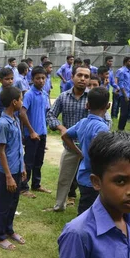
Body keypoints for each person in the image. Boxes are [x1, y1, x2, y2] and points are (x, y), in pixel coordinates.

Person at [61, 87, 110, 215]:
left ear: (87, 105)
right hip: (95, 179)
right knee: (89, 213)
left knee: (85, 208)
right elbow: (101, 154)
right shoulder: (102, 127)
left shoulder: (82, 122)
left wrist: (79, 152)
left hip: (83, 176)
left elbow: (65, 136)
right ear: (108, 106)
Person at [46, 66, 90, 209]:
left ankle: (89, 208)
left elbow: (105, 119)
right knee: (64, 179)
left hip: (89, 147)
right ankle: (59, 205)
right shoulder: (63, 97)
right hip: (70, 146)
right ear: (72, 77)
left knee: (90, 180)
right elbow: (50, 115)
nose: (82, 79)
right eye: (79, 75)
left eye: (86, 76)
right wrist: (60, 127)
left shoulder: (93, 97)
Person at [0, 86, 27, 250]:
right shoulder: (3, 124)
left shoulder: (15, 119)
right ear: (14, 102)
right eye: (20, 99)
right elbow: (1, 151)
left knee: (13, 202)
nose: (22, 102)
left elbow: (18, 146)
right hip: (6, 172)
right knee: (4, 203)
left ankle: (9, 230)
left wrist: (22, 166)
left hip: (16, 168)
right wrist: (8, 176)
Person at [20, 66, 52, 198]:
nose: (41, 81)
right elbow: (22, 113)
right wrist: (31, 131)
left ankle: (36, 184)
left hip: (42, 133)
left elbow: (45, 112)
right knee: (29, 161)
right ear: (32, 79)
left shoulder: (44, 94)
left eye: (43, 78)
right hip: (32, 134)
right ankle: (23, 187)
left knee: (39, 161)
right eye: (38, 78)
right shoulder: (29, 94)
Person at [116, 57, 130, 131]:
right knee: (123, 113)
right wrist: (125, 96)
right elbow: (121, 84)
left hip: (129, 94)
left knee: (127, 113)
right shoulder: (121, 71)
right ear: (125, 62)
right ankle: (120, 129)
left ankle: (122, 128)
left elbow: (129, 83)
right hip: (124, 95)